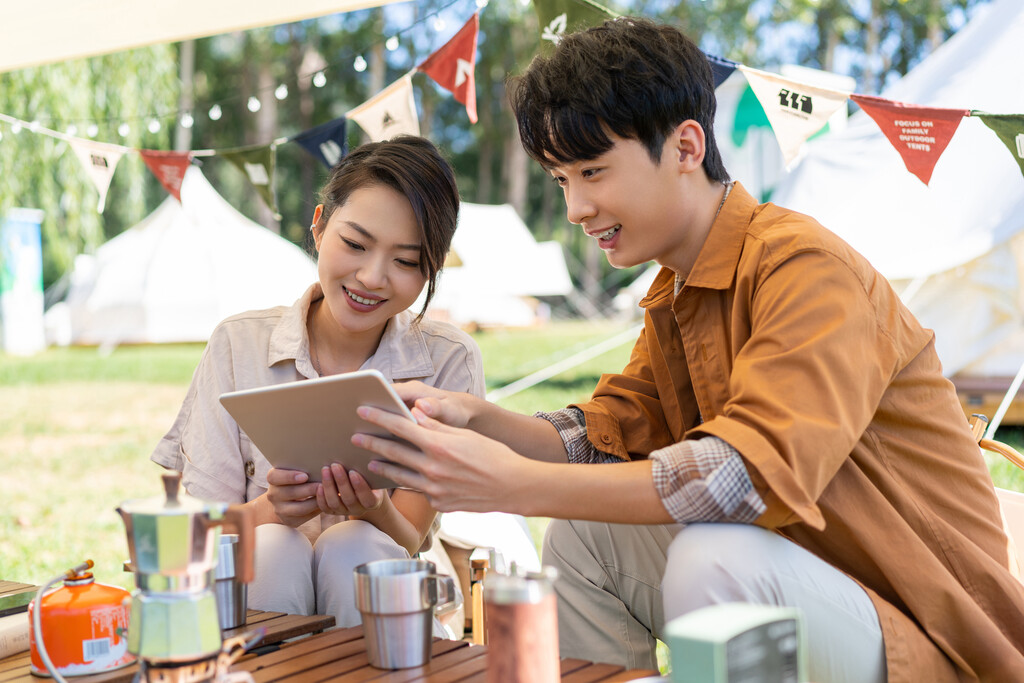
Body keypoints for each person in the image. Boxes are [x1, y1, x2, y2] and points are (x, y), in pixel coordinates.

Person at [350, 17, 1024, 683]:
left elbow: (740, 480)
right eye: (561, 180)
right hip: (809, 579)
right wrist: (475, 418)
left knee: (714, 555)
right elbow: (607, 433)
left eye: (593, 170)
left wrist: (511, 484)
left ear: (686, 147)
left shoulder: (804, 266)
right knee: (583, 537)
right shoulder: (680, 287)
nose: (577, 206)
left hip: (935, 635)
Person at [150, 135, 485, 628]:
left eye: (407, 261)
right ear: (318, 227)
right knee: (270, 546)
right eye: (355, 244)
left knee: (355, 542)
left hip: (383, 600)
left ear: (430, 268)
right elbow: (201, 536)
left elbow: (409, 537)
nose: (372, 277)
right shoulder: (237, 346)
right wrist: (270, 508)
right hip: (255, 597)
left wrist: (372, 509)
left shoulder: (448, 360)